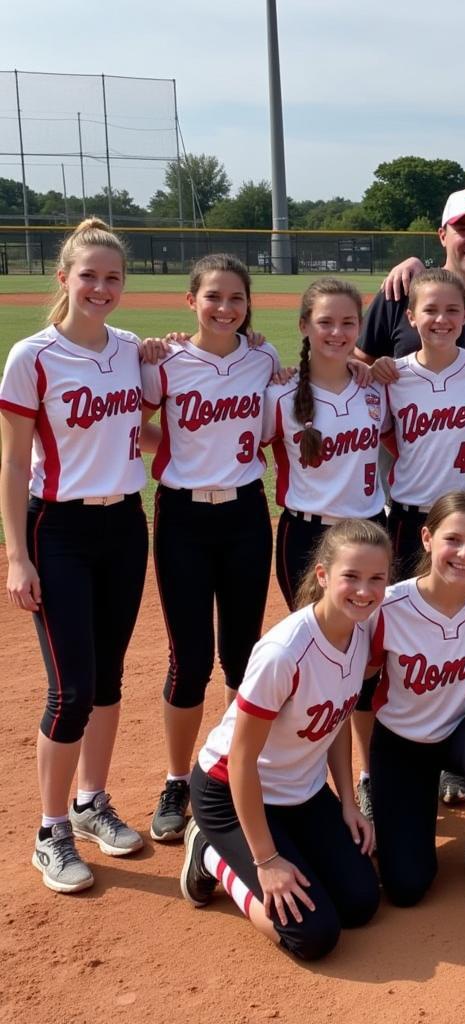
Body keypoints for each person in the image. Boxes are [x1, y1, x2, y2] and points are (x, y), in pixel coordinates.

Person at [1, 218, 149, 893]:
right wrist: (16, 556)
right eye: (88, 275)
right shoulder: (32, 355)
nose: (100, 287)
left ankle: (92, 803)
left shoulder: (130, 351)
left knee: (111, 678)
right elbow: (11, 464)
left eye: (112, 277)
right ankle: (50, 829)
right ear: (63, 279)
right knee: (73, 690)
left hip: (125, 524)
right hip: (56, 530)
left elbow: (146, 425)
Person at [178, 520, 385, 961]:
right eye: (351, 576)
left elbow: (336, 722)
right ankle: (208, 852)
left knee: (361, 902)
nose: (364, 591)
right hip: (230, 794)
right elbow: (241, 760)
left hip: (300, 794)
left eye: (376, 579)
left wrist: (348, 801)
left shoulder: (362, 632)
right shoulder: (284, 652)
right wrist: (266, 860)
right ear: (324, 575)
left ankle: (283, 848)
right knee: (313, 936)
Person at [141, 254, 279, 843]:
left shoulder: (264, 358)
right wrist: (171, 448)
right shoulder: (166, 363)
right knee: (189, 659)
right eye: (213, 297)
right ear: (190, 301)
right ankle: (177, 778)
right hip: (183, 518)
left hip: (248, 513)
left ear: (248, 306)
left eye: (236, 298)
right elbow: (130, 423)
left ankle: (225, 768)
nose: (225, 308)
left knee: (243, 656)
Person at [262, 276, 386, 822]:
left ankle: (364, 776)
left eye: (347, 322)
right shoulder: (280, 397)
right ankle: (298, 771)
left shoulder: (376, 390)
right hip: (306, 536)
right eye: (325, 322)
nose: (336, 332)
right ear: (305, 327)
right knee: (313, 658)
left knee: (368, 663)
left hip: (367, 534)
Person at [368, 491, 465, 915]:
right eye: (453, 539)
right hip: (402, 740)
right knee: (406, 887)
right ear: (427, 538)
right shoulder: (389, 607)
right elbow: (359, 693)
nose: (464, 554)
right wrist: (365, 772)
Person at [362, 188, 465, 575]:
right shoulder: (400, 292)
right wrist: (372, 370)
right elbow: (356, 364)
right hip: (410, 501)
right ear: (442, 235)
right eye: (462, 228)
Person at [381, 269, 465, 579]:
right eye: (430, 309)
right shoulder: (393, 376)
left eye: (452, 310)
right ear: (411, 316)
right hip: (412, 517)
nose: (441, 319)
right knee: (406, 611)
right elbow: (390, 438)